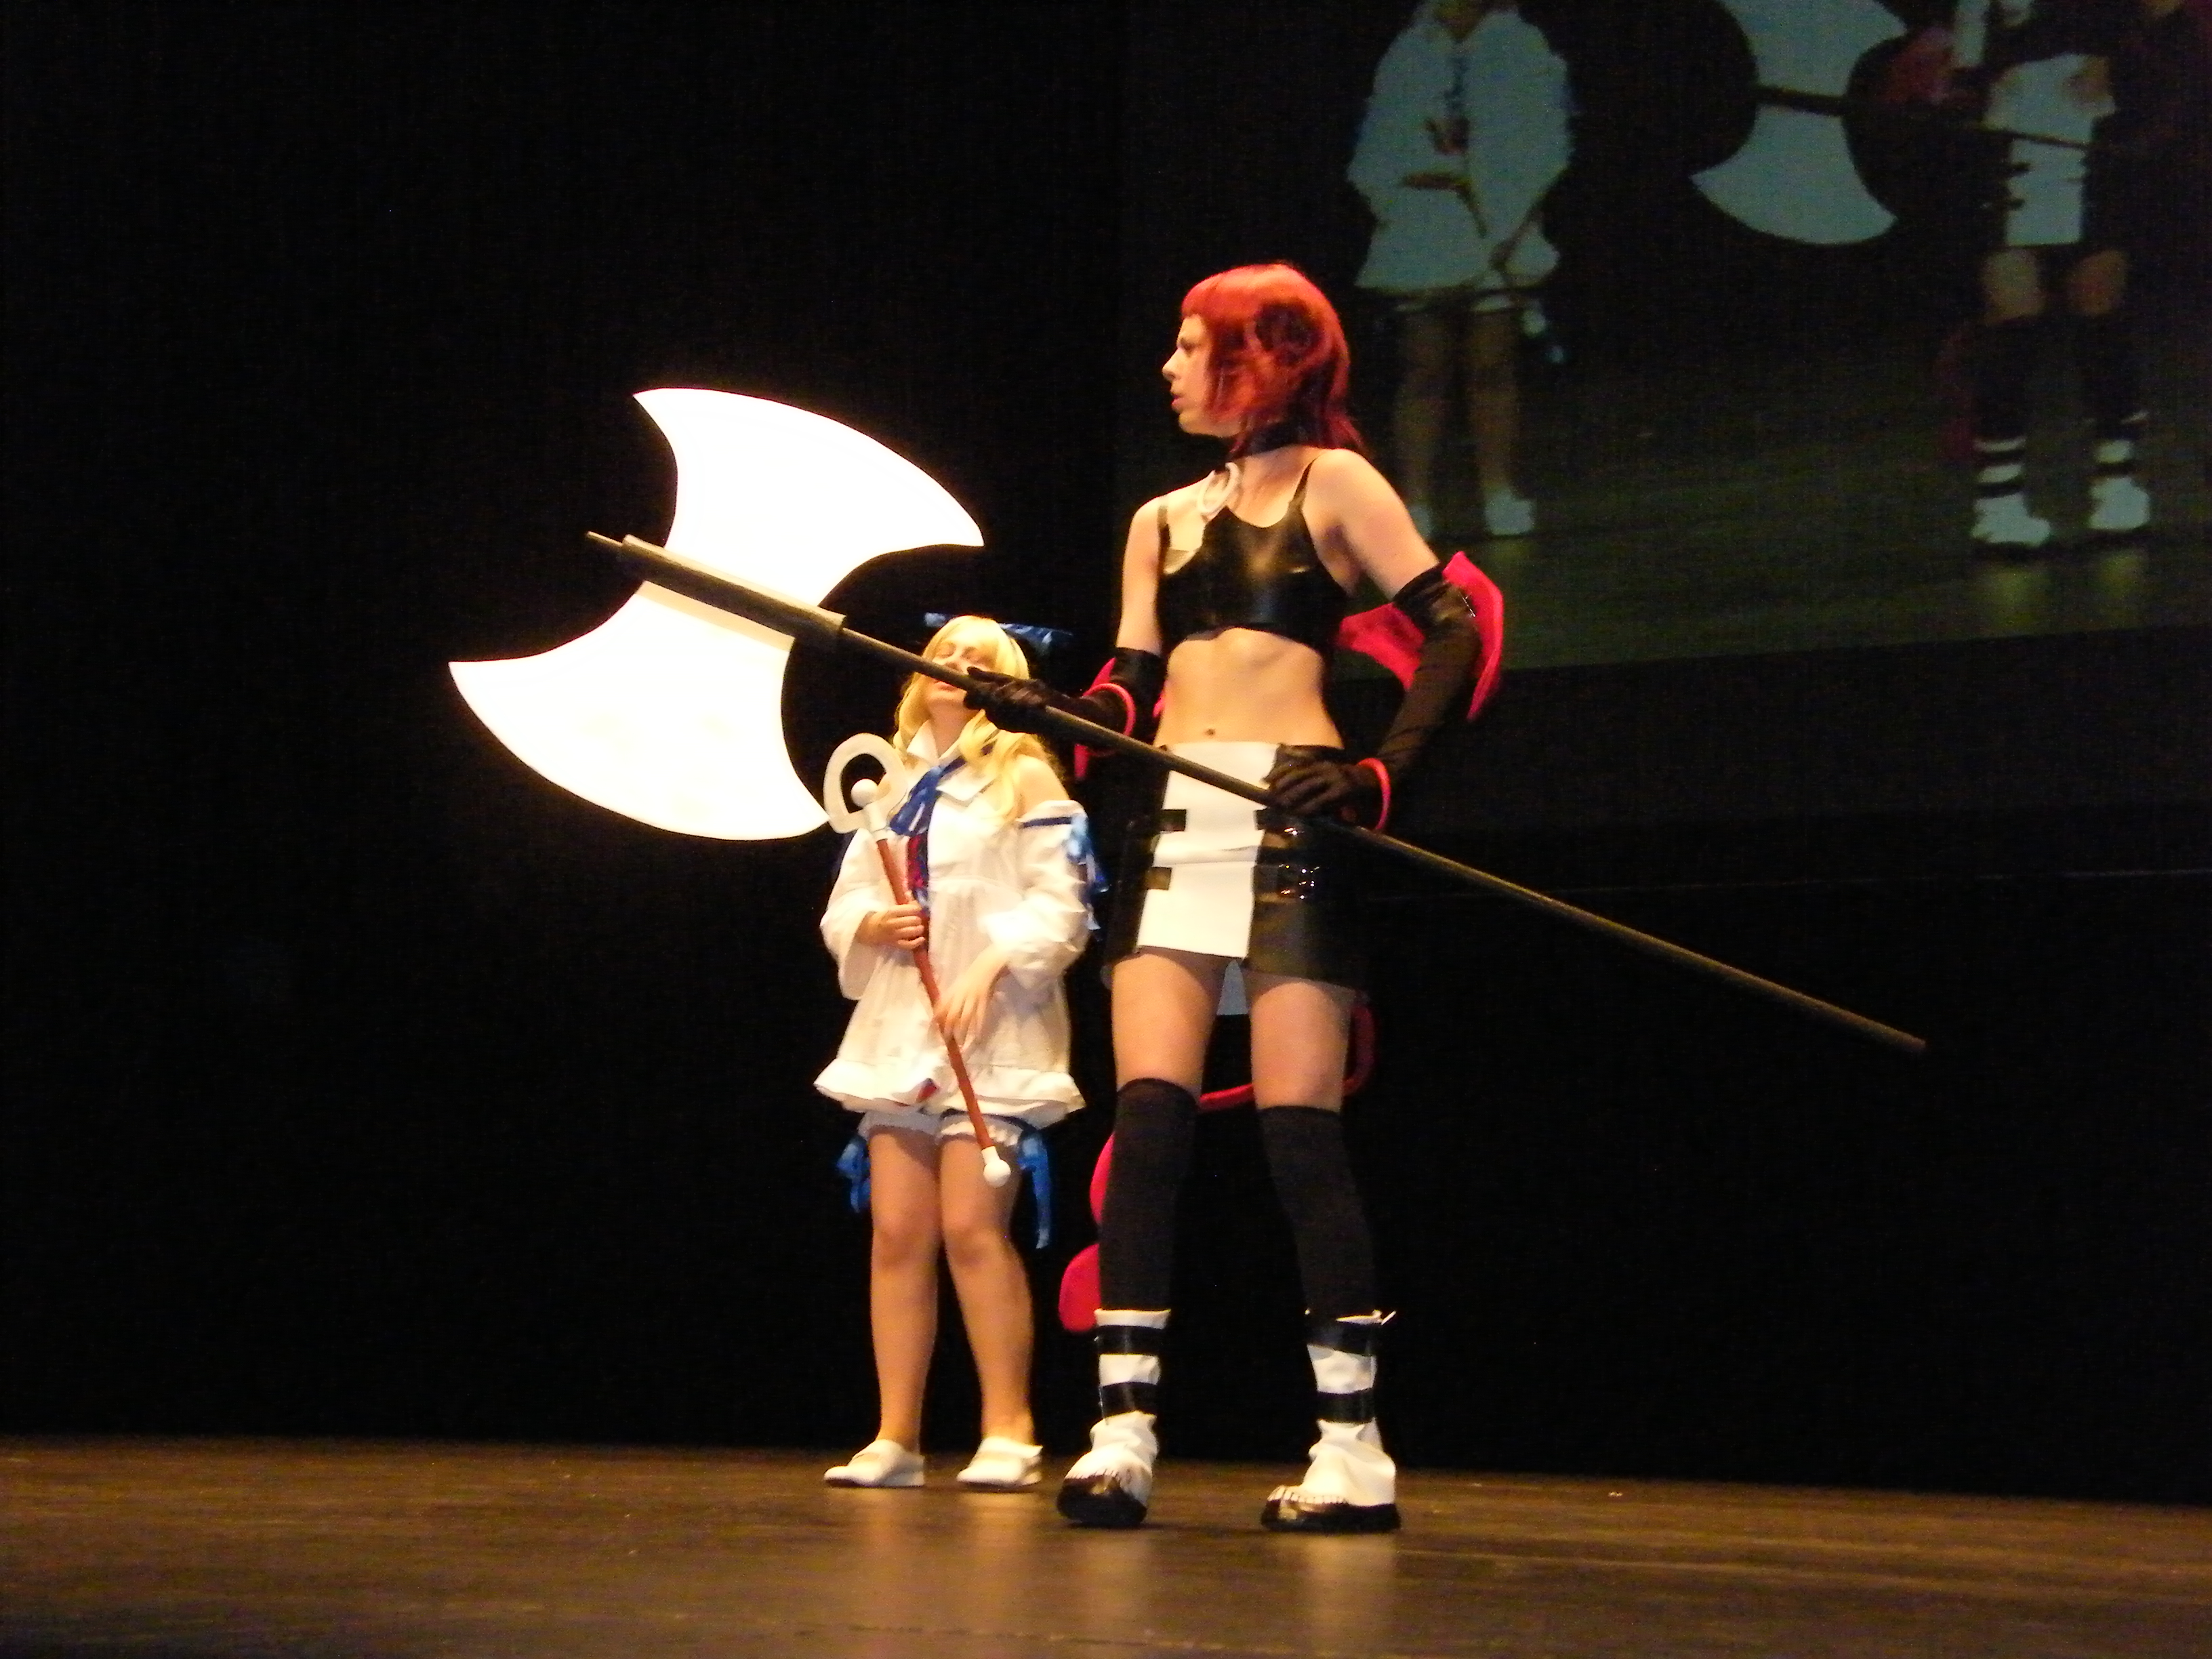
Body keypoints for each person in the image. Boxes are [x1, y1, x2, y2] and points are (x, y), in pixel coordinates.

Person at [970, 264, 1483, 1532]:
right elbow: (1133, 685)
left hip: (1294, 813)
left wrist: (1379, 772)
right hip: (1171, 816)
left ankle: (1353, 1449)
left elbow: (1453, 625)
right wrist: (1058, 707)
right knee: (1149, 1122)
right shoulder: (1157, 518)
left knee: (1300, 1131)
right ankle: (1121, 1433)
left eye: (1192, 343)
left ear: (1260, 360)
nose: (1169, 365)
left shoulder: (1336, 484)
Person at [816, 616, 1096, 1492]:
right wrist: (873, 923)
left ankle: (1009, 1429)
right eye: (945, 655)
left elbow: (1064, 903)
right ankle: (895, 1436)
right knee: (898, 1232)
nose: (957, 666)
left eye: (979, 660)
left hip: (993, 1031)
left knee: (974, 1228)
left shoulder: (1024, 776)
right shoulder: (889, 784)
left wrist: (989, 962)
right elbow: (848, 901)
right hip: (901, 1029)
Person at [1937, 0, 2158, 548]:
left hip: (2092, 139)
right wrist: (1966, 88)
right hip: (2009, 146)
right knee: (2012, 325)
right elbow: (1966, 54)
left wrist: (2116, 58)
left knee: (2100, 316)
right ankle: (1998, 501)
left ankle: (2117, 483)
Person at [1348, 0, 1571, 542]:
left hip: (1499, 223)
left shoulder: (1520, 47)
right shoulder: (1409, 51)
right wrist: (1403, 207)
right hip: (1425, 225)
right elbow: (1378, 144)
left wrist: (1503, 221)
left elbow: (1543, 141)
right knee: (1424, 370)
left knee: (1491, 368)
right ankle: (1415, 503)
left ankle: (1498, 493)